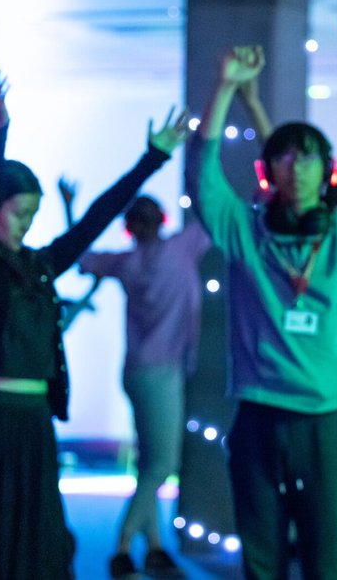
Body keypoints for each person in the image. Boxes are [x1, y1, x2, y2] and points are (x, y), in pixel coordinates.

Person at [0, 70, 188, 579]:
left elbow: (94, 220)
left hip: (33, 422)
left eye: (32, 213)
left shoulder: (40, 265)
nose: (25, 223)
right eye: (18, 211)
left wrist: (151, 159)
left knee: (34, 540)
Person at [184, 45, 337, 580]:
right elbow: (202, 178)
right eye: (284, 157)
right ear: (268, 170)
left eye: (307, 158)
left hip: (326, 421)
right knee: (261, 559)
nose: (295, 168)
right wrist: (224, 88)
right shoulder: (244, 230)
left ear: (327, 171)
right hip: (258, 414)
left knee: (326, 561)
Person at [79, 195, 210, 579]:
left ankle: (154, 547)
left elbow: (84, 258)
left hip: (139, 371)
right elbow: (211, 213)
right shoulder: (179, 248)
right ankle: (122, 547)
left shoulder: (126, 262)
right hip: (161, 373)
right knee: (162, 465)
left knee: (150, 463)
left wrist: (73, 209)